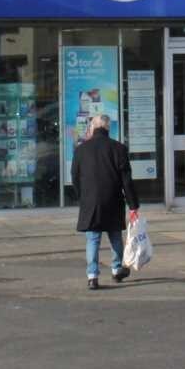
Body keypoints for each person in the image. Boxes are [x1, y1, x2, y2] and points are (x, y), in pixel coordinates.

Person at [72, 113, 139, 290]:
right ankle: (116, 269)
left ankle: (92, 276)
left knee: (93, 238)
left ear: (93, 127)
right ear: (108, 128)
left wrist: (82, 197)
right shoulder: (119, 148)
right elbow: (126, 180)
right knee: (115, 235)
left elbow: (75, 177)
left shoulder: (81, 150)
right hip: (113, 199)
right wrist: (133, 205)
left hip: (91, 201)